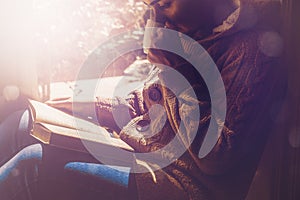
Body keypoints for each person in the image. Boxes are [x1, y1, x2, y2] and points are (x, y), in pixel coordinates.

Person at [0, 0, 287, 199]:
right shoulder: (194, 32)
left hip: (180, 185)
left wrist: (176, 71)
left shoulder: (251, 52)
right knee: (22, 122)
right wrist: (87, 108)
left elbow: (215, 157)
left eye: (163, 5)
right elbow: (148, 103)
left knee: (32, 167)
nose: (159, 20)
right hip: (144, 150)